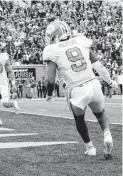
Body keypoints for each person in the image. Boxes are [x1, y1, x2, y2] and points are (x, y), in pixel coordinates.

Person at [43, 20, 117, 160]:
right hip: (93, 84)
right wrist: (110, 82)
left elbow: (50, 79)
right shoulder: (81, 41)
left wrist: (49, 94)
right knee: (100, 114)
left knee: (79, 118)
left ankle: (90, 147)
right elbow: (99, 67)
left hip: (76, 89)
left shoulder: (52, 50)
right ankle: (107, 134)